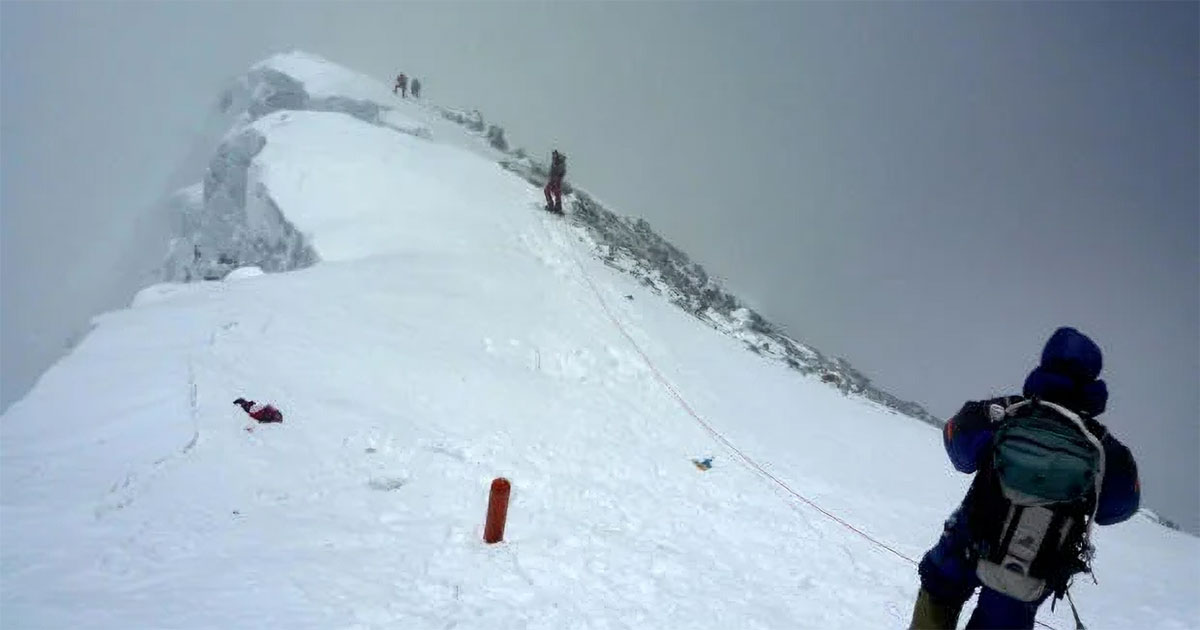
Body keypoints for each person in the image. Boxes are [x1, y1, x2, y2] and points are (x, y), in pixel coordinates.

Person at [911, 327, 1140, 629]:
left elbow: (959, 449)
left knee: (938, 595)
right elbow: (1119, 508)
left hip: (965, 542)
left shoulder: (1005, 412)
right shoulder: (1104, 448)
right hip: (1029, 568)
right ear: (1093, 380)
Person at [544, 150, 567, 214]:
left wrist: (554, 180)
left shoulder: (558, 164)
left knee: (548, 190)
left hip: (555, 180)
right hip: (555, 180)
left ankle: (552, 206)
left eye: (554, 156)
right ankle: (557, 207)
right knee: (556, 192)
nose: (553, 157)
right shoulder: (557, 163)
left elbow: (559, 173)